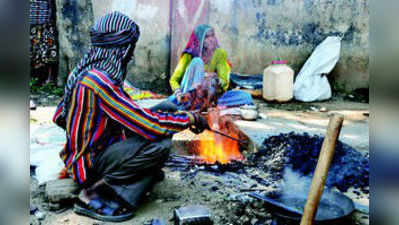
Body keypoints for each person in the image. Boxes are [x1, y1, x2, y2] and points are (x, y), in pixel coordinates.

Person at [53, 11, 208, 222]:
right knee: (159, 145)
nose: (131, 56)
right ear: (122, 49)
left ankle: (132, 172)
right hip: (90, 164)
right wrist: (189, 119)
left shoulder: (84, 71)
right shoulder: (99, 82)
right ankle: (95, 197)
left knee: (167, 108)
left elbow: (59, 116)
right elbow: (146, 124)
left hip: (96, 150)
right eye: (130, 49)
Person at [168, 24, 232, 111]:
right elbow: (173, 80)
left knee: (245, 97)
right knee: (198, 61)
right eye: (206, 37)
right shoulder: (189, 54)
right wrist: (179, 94)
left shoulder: (220, 53)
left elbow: (224, 81)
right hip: (188, 93)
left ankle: (203, 103)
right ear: (198, 40)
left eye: (212, 35)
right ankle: (190, 103)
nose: (211, 39)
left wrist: (214, 78)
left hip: (207, 94)